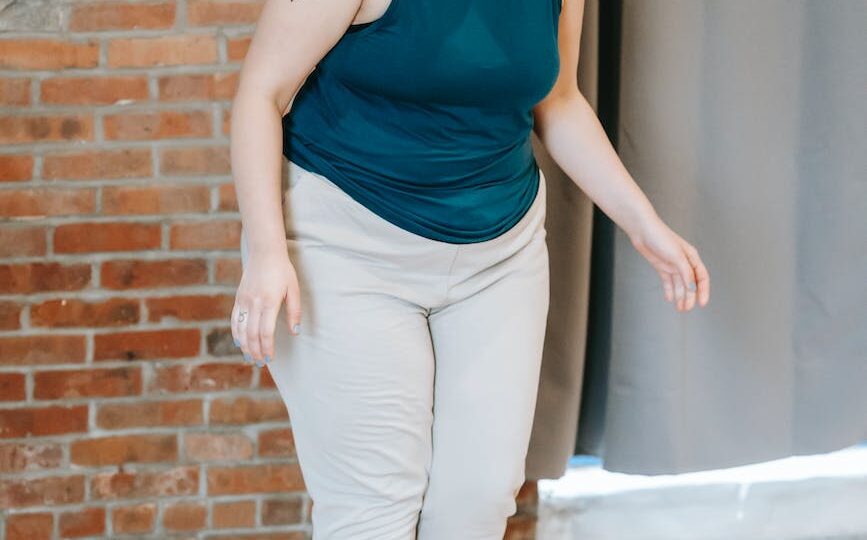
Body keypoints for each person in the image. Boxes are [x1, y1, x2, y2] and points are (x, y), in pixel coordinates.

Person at [228, 0, 711, 538]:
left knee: (478, 500)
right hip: (345, 240)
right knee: (373, 507)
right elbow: (261, 93)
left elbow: (559, 100)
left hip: (500, 250)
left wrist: (645, 226)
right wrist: (268, 253)